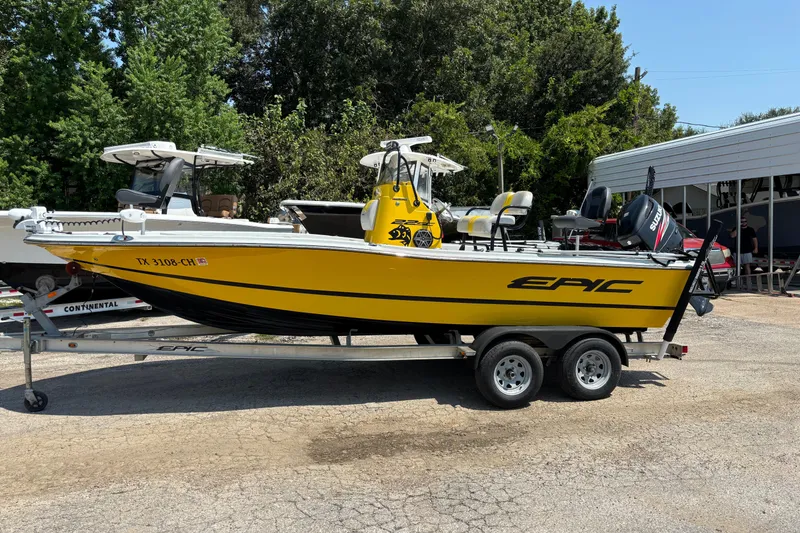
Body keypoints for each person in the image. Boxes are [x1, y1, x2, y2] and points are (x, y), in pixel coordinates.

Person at [729, 216, 758, 290]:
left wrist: (756, 248)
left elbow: (755, 239)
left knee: (747, 266)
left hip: (747, 251)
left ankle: (748, 281)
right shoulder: (736, 229)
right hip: (737, 251)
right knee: (737, 267)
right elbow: (732, 235)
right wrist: (738, 227)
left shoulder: (750, 229)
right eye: (742, 222)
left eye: (745, 221)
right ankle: (737, 280)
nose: (743, 223)